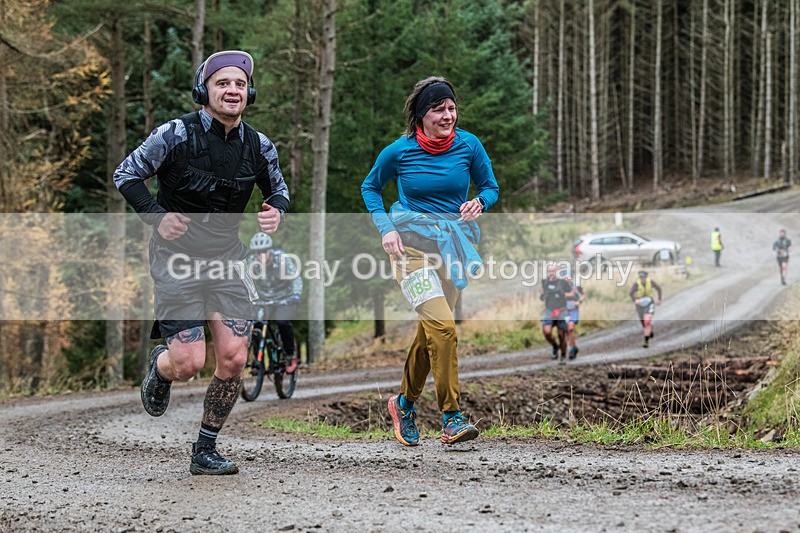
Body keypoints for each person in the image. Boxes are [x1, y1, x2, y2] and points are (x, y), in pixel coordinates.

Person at [113, 50, 289, 475]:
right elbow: (126, 174)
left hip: (228, 260)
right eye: (222, 83)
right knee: (189, 364)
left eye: (240, 84)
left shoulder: (258, 145)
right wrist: (156, 217)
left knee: (232, 357)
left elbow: (278, 190)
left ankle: (205, 450)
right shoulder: (174, 133)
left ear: (249, 92)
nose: (233, 90)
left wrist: (275, 210)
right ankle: (161, 367)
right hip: (177, 260)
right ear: (204, 90)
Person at [360, 76, 499, 447]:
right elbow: (370, 187)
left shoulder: (469, 145)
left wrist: (480, 202)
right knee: (445, 328)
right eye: (439, 109)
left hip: (450, 250)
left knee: (431, 332)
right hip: (410, 252)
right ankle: (452, 416)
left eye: (451, 107)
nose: (448, 114)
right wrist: (386, 228)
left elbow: (490, 186)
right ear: (422, 115)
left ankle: (403, 403)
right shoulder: (399, 151)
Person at [246, 232, 302, 373]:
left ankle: (290, 354)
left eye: (264, 251)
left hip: (286, 298)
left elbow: (296, 278)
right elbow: (244, 282)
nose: (261, 255)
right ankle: (257, 360)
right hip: (264, 300)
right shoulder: (251, 263)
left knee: (282, 322)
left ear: (270, 250)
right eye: (258, 252)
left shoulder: (282, 259)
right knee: (256, 324)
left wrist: (295, 295)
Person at [540, 265, 575, 364]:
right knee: (547, 332)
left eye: (553, 271)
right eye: (550, 271)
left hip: (561, 310)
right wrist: (543, 296)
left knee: (561, 335)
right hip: (549, 310)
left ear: (557, 272)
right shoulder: (545, 282)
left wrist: (562, 294)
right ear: (547, 272)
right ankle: (555, 346)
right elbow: (542, 293)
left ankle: (563, 356)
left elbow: (572, 294)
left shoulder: (563, 282)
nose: (551, 273)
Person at [629, 270, 662, 348]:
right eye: (641, 277)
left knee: (646, 321)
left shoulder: (650, 282)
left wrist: (659, 299)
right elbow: (630, 293)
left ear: (646, 277)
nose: (642, 279)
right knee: (643, 323)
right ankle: (649, 330)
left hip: (650, 304)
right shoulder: (636, 284)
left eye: (643, 277)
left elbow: (659, 289)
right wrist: (635, 300)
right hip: (640, 305)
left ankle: (646, 341)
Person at [563, 269, 585, 360]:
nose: (567, 279)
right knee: (566, 330)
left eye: (569, 277)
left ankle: (571, 349)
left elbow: (583, 293)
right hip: (564, 309)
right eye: (565, 278)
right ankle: (573, 347)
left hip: (573, 309)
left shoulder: (576, 284)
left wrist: (579, 301)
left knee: (570, 328)